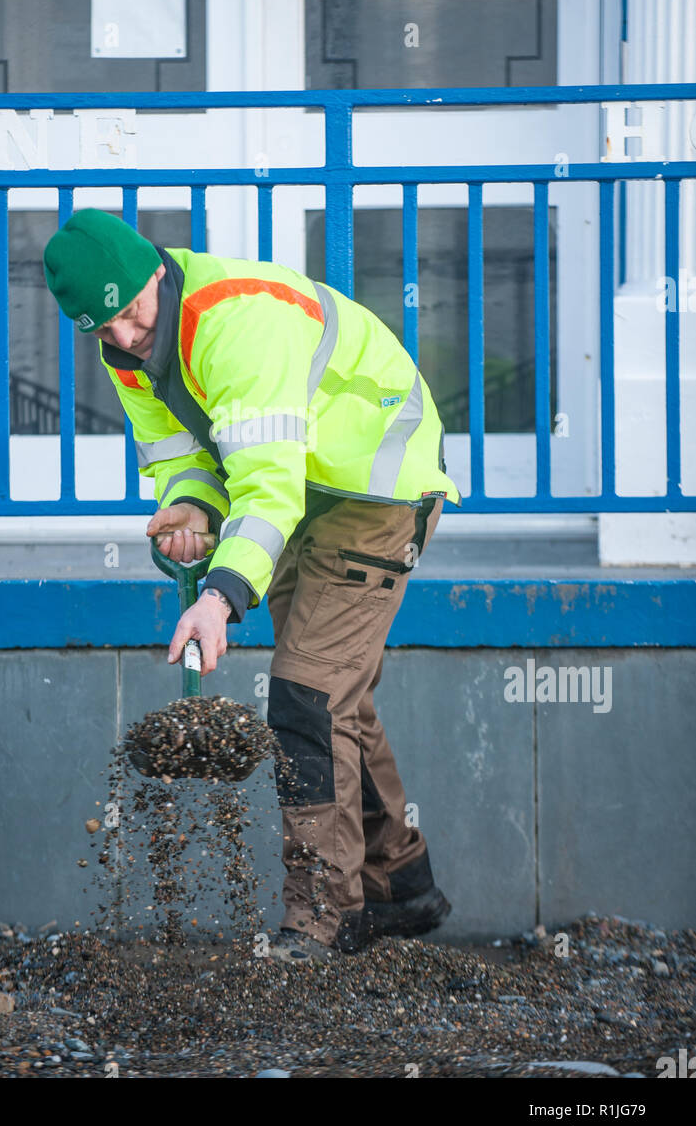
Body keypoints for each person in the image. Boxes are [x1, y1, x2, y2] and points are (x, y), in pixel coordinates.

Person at [43, 208, 462, 961]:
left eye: (131, 316)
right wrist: (191, 505)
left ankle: (320, 920)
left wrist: (218, 594)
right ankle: (401, 887)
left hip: (375, 490)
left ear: (155, 274)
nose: (124, 340)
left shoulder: (239, 320)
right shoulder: (123, 349)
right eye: (101, 330)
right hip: (308, 489)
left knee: (303, 695)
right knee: (337, 697)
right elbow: (182, 457)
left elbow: (266, 489)